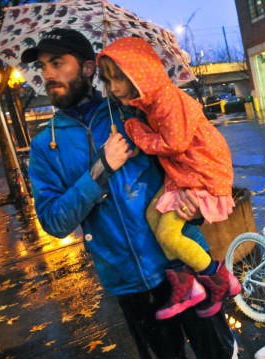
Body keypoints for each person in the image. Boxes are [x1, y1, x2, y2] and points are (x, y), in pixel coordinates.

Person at [21, 28, 237, 359]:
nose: (47, 75)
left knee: (220, 353)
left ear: (89, 68)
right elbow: (53, 221)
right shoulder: (44, 146)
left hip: (183, 263)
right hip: (130, 285)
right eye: (42, 67)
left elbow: (190, 157)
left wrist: (197, 205)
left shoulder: (134, 110)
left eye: (57, 63)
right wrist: (99, 170)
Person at [96, 37, 240, 320]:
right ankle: (187, 287)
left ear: (139, 74)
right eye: (108, 80)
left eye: (120, 78)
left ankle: (220, 280)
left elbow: (174, 143)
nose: (113, 88)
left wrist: (136, 131)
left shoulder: (167, 99)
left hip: (200, 172)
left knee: (167, 233)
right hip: (184, 173)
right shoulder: (151, 103)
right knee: (153, 216)